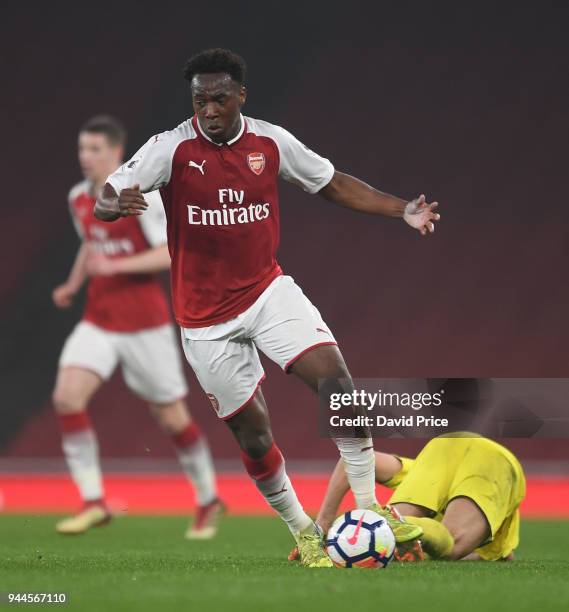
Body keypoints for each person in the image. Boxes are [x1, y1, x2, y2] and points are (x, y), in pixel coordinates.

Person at [94, 49, 440, 567]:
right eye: (199, 100)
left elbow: (333, 182)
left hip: (265, 291)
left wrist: (402, 211)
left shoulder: (270, 142)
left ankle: (371, 511)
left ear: (240, 97)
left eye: (218, 98)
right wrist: (112, 205)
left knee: (338, 384)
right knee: (255, 437)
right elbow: (109, 192)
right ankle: (305, 532)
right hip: (204, 319)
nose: (208, 109)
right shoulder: (169, 149)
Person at [53, 115, 223, 538]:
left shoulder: (134, 196)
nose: (85, 157)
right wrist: (73, 284)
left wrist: (115, 264)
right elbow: (90, 246)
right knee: (66, 398)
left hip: (144, 325)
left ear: (116, 153)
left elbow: (169, 254)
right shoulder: (78, 198)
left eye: (94, 150)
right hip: (98, 320)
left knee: (171, 418)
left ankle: (207, 497)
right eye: (81, 149)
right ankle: (93, 501)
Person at [298, 433, 525, 561]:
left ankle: (357, 535)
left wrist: (322, 526)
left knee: (440, 542)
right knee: (403, 530)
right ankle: (371, 531)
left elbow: (356, 459)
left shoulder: (417, 472)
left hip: (448, 445)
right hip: (491, 460)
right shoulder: (490, 534)